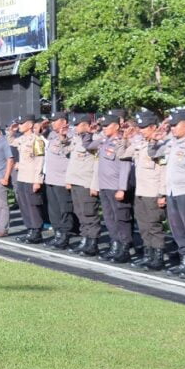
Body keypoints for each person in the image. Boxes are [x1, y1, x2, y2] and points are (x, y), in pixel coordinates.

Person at [149, 109, 185, 278]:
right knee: (177, 229)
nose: (172, 128)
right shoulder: (170, 142)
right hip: (172, 191)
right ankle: (184, 260)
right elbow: (153, 153)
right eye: (171, 125)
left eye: (175, 125)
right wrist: (154, 139)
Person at [119, 110, 167, 271]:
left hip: (153, 192)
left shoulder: (161, 145)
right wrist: (126, 138)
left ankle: (158, 256)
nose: (141, 130)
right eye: (140, 127)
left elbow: (163, 171)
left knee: (154, 225)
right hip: (141, 191)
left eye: (145, 127)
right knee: (144, 225)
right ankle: (148, 254)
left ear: (154, 127)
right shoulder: (140, 144)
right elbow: (122, 154)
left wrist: (162, 193)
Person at [88, 111, 133, 262]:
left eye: (107, 126)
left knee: (121, 218)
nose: (104, 128)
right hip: (104, 186)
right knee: (109, 218)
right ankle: (115, 245)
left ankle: (124, 248)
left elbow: (125, 166)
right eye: (103, 126)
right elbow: (89, 145)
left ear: (115, 126)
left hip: (116, 186)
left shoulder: (121, 142)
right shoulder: (104, 141)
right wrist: (98, 133)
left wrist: (122, 188)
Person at [66, 114, 101, 256]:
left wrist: (95, 185)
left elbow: (97, 164)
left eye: (78, 125)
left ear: (87, 125)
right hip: (76, 181)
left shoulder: (96, 140)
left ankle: (92, 242)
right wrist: (69, 180)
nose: (75, 128)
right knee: (80, 213)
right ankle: (85, 239)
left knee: (89, 213)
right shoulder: (76, 139)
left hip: (86, 182)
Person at [8, 115, 46, 243]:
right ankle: (30, 229)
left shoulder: (37, 140)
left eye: (21, 123)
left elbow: (40, 161)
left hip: (31, 177)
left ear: (30, 125)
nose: (19, 125)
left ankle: (36, 231)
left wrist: (37, 180)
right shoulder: (22, 139)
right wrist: (11, 131)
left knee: (32, 205)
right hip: (22, 176)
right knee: (23, 204)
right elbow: (10, 141)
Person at [43, 112, 76, 249]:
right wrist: (42, 126)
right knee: (54, 210)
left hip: (63, 179)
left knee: (65, 209)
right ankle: (57, 234)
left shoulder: (72, 134)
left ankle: (64, 236)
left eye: (55, 121)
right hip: (50, 178)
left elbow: (67, 149)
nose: (52, 123)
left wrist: (63, 136)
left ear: (63, 121)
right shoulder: (51, 135)